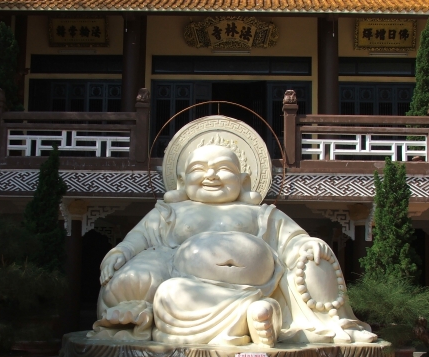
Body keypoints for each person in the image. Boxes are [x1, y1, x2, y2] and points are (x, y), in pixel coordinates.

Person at [88, 143, 376, 346]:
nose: (211, 176)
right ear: (182, 180)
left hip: (262, 282)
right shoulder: (169, 212)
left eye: (223, 169)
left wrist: (305, 244)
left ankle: (318, 322)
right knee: (167, 294)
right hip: (190, 287)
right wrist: (122, 251)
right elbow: (139, 238)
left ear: (243, 180)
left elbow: (291, 239)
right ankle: (256, 314)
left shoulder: (260, 213)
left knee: (314, 254)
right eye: (199, 169)